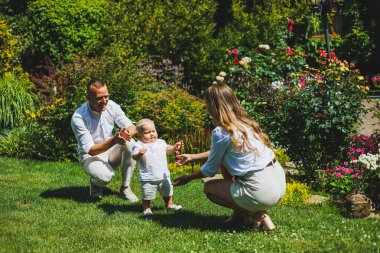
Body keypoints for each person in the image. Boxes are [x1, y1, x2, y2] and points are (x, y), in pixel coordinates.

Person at [173, 83, 286, 231]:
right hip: (278, 182)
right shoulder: (246, 124)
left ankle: (258, 213)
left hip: (260, 190)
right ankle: (242, 216)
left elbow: (209, 171)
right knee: (224, 163)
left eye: (206, 101)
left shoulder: (221, 131)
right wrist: (193, 157)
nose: (205, 104)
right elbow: (222, 152)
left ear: (213, 104)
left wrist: (187, 177)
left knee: (210, 189)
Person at [71, 78, 138, 201]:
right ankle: (96, 182)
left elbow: (133, 127)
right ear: (88, 97)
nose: (104, 101)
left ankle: (125, 188)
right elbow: (91, 150)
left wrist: (125, 134)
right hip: (89, 156)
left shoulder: (112, 106)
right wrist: (114, 140)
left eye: (106, 96)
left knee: (131, 144)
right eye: (99, 98)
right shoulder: (78, 117)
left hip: (111, 150)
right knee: (105, 177)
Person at [132, 118, 183, 215]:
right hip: (148, 177)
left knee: (167, 192)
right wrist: (139, 154)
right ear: (139, 135)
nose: (152, 134)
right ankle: (146, 208)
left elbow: (167, 150)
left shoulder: (161, 142)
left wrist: (175, 147)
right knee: (147, 194)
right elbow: (134, 156)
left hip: (163, 175)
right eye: (147, 132)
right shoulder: (139, 145)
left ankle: (169, 204)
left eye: (153, 131)